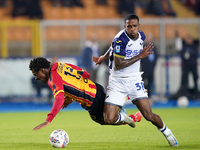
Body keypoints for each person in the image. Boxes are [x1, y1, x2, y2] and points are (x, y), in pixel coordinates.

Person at [92, 14, 178, 147]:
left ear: (139, 26)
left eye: (134, 26)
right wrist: (140, 55)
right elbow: (118, 64)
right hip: (118, 82)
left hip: (135, 80)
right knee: (108, 119)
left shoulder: (141, 36)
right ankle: (125, 117)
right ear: (124, 26)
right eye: (129, 26)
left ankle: (168, 133)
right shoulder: (121, 39)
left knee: (149, 115)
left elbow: (112, 47)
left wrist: (103, 56)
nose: (132, 29)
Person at [29, 57, 142, 131]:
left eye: (36, 74)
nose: (36, 78)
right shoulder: (60, 65)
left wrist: (49, 120)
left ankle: (123, 115)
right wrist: (70, 96)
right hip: (97, 88)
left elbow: (59, 98)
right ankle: (133, 115)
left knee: (104, 120)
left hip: (90, 100)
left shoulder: (53, 79)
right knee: (108, 113)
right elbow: (85, 74)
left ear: (42, 70)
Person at [141, 32, 158, 98]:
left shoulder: (154, 47)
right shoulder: (143, 47)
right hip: (144, 68)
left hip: (151, 68)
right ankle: (143, 96)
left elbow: (156, 57)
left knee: (150, 83)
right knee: (144, 82)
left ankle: (149, 96)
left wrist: (153, 65)